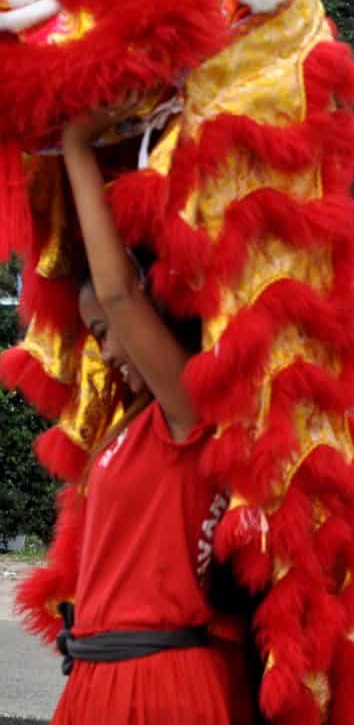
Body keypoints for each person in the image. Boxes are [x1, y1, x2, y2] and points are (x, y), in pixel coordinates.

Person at [51, 101, 252, 724]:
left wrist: (77, 149)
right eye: (93, 332)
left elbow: (118, 289)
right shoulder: (133, 425)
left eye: (108, 331)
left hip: (158, 686)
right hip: (96, 678)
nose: (106, 349)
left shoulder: (189, 412)